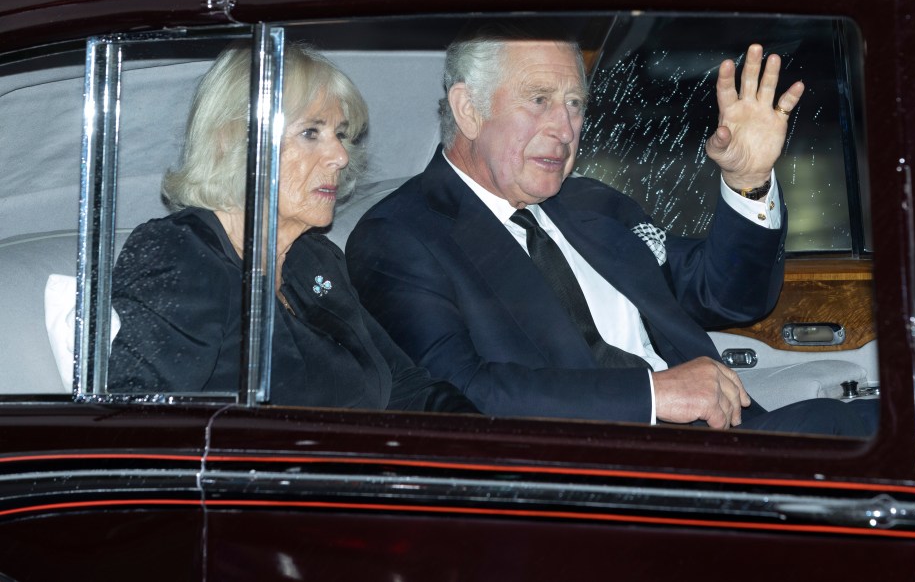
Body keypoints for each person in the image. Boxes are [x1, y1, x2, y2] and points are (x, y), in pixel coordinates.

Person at [346, 24, 875, 434]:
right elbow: (459, 393)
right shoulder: (401, 235)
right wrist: (653, 395)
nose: (565, 127)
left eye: (575, 103)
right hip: (604, 474)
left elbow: (732, 299)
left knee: (882, 424)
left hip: (730, 440)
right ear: (468, 110)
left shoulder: (591, 204)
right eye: (539, 100)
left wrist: (749, 181)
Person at [109, 42, 476, 414]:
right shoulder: (180, 255)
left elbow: (404, 385)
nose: (340, 156)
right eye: (311, 133)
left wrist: (492, 440)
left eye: (340, 134)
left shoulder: (314, 259)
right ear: (234, 140)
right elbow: (138, 426)